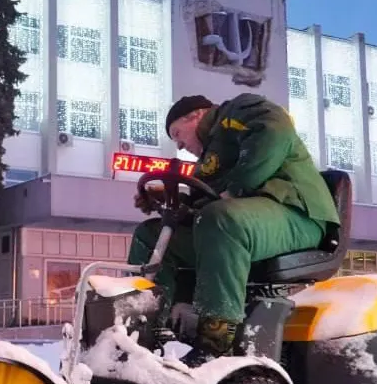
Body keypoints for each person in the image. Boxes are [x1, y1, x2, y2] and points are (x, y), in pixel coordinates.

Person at [126, 93, 340, 365]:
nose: (179, 144)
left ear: (197, 115)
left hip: (297, 214)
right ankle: (147, 327)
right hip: (241, 225)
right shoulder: (207, 164)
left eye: (177, 133)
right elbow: (199, 205)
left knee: (220, 217)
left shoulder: (237, 111)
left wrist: (235, 189)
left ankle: (216, 340)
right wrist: (164, 199)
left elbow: (274, 130)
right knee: (151, 234)